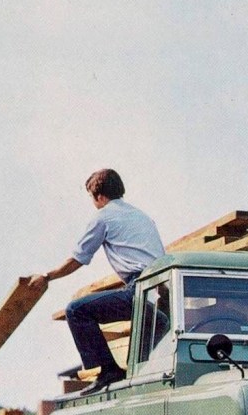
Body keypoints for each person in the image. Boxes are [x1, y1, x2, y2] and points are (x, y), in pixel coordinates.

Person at [27, 168, 165, 394]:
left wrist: (47, 276)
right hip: (160, 289)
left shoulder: (103, 217)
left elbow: (78, 259)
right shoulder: (142, 216)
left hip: (140, 288)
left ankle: (109, 370)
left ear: (99, 196)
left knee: (76, 310)